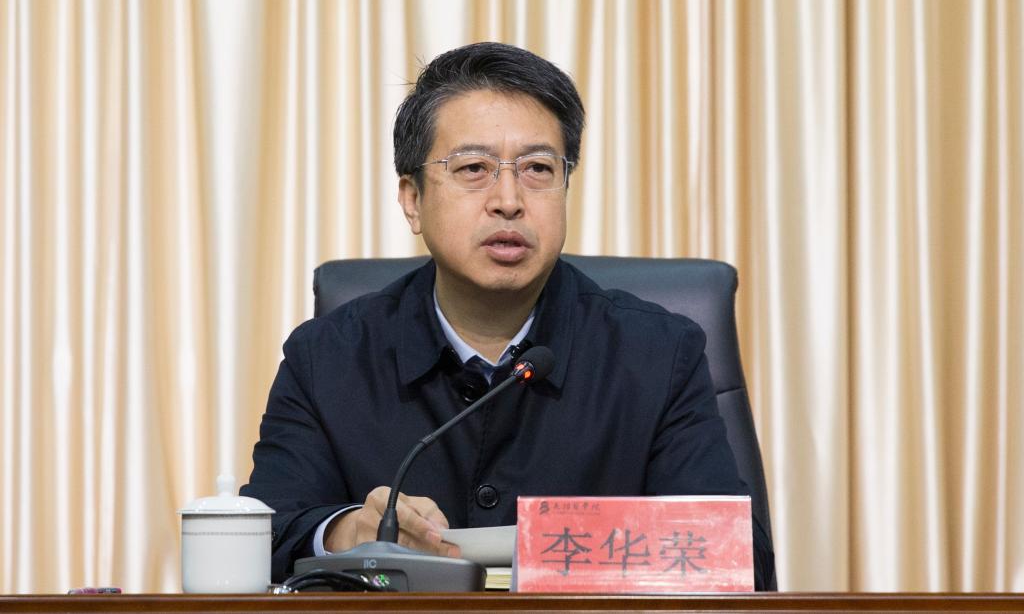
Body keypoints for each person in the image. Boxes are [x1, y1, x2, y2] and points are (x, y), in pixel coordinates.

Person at [240, 42, 775, 589]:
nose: (509, 200)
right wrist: (344, 531)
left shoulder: (658, 356)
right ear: (412, 199)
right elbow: (260, 540)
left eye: (538, 168)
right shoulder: (327, 358)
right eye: (473, 168)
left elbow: (741, 564)